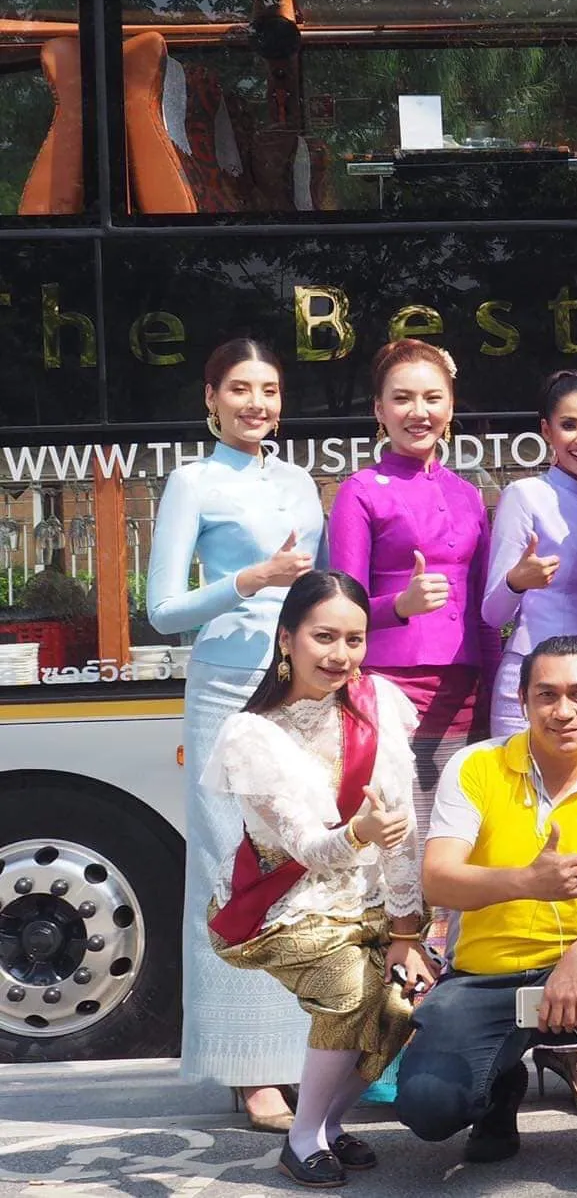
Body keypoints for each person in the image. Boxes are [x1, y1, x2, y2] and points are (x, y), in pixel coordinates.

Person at [394, 635, 577, 1186]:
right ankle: (498, 1091)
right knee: (428, 1108)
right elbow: (439, 879)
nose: (562, 711)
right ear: (523, 702)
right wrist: (527, 881)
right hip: (484, 976)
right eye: (546, 695)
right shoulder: (477, 767)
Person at [202, 571, 430, 1186]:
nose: (341, 656)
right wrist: (361, 833)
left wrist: (408, 930)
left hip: (363, 895)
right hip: (278, 905)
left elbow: (400, 831)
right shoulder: (252, 736)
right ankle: (302, 1138)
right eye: (323, 637)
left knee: (405, 1002)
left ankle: (326, 1125)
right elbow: (307, 847)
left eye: (354, 640)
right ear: (286, 639)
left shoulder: (377, 703)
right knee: (350, 989)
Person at [147, 338, 323, 1129]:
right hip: (225, 686)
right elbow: (161, 608)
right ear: (211, 396)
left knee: (302, 863)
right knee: (231, 867)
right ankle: (246, 1068)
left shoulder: (297, 480)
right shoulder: (192, 481)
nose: (258, 403)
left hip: (300, 690)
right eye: (242, 388)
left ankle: (301, 1056)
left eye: (271, 389)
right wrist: (248, 580)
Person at [328, 338, 490, 833]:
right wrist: (401, 604)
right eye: (402, 398)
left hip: (467, 691)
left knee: (463, 831)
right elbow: (342, 609)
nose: (418, 412)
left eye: (432, 398)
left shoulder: (468, 495)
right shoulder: (359, 491)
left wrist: (500, 684)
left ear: (451, 405)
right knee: (401, 834)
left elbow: (485, 606)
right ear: (379, 409)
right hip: (392, 688)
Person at [483, 371, 577, 737]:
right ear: (546, 430)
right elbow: (493, 614)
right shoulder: (525, 495)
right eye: (569, 425)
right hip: (531, 685)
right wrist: (516, 582)